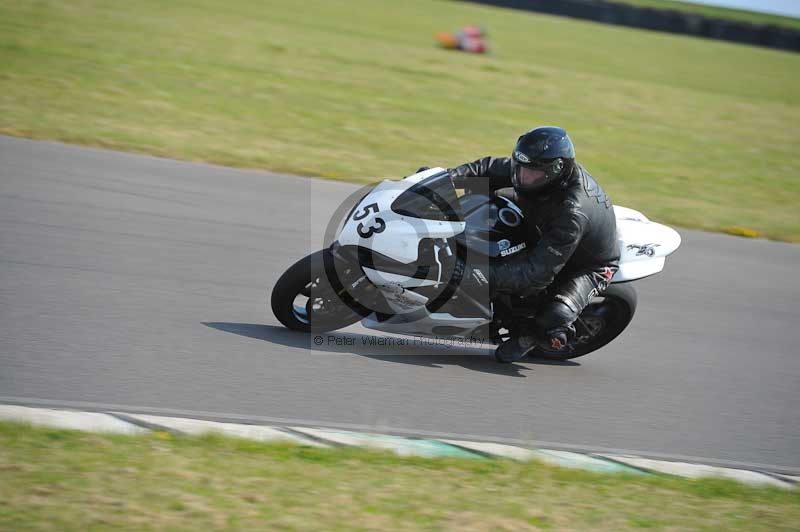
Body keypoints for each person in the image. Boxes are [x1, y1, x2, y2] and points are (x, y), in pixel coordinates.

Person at [446, 126, 620, 363]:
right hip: (544, 227)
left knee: (557, 314)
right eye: (520, 167)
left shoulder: (572, 213)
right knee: (482, 201)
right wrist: (442, 179)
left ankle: (530, 337)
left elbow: (535, 274)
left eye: (531, 173)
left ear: (556, 171)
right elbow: (486, 168)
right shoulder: (533, 170)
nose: (520, 177)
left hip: (587, 265)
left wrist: (475, 274)